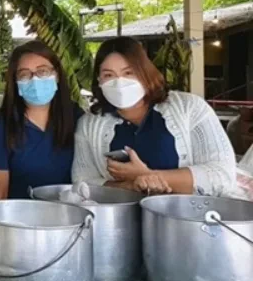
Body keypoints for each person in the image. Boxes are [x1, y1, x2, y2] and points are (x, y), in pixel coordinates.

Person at [72, 36, 235, 196]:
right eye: (108, 75)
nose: (119, 82)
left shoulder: (189, 108)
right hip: (120, 219)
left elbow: (223, 175)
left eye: (128, 72)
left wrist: (148, 175)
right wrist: (130, 186)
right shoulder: (89, 125)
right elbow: (82, 181)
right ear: (99, 81)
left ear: (145, 73)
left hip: (187, 218)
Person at [0, 41, 81, 200]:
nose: (35, 79)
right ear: (15, 82)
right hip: (21, 218)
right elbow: (0, 190)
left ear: (57, 75)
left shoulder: (76, 117)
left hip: (71, 216)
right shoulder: (3, 124)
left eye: (43, 71)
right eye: (25, 74)